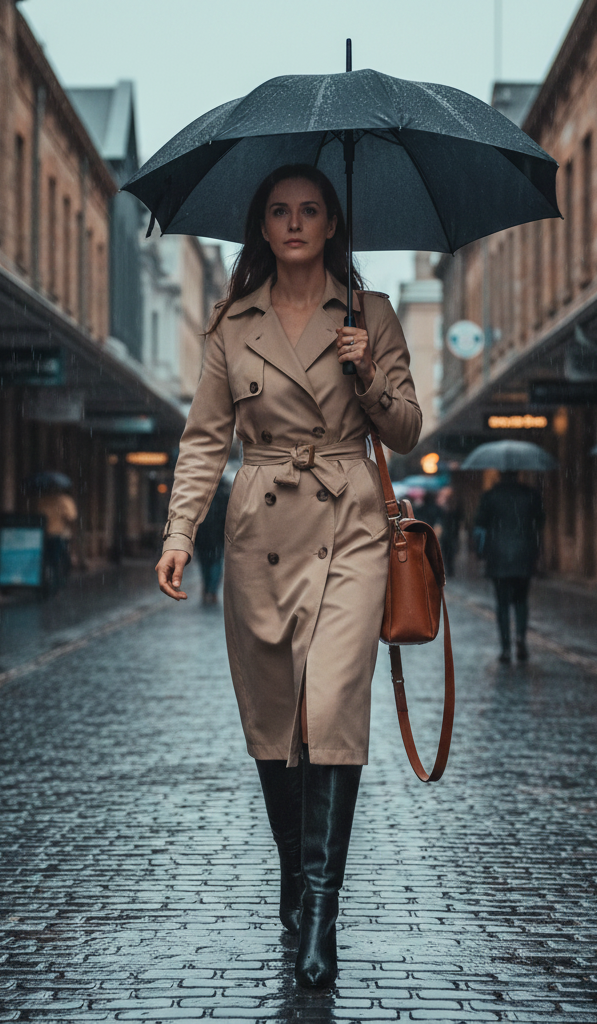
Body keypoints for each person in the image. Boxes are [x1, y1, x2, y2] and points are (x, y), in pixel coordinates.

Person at [154, 164, 421, 988]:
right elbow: (205, 439)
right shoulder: (231, 323)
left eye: (310, 209)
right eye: (280, 211)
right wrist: (178, 529)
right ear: (261, 227)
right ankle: (292, 871)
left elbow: (409, 430)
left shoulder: (370, 315)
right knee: (276, 724)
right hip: (260, 523)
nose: (295, 222)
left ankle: (321, 911)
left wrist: (365, 372)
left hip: (350, 526)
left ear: (333, 221)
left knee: (332, 705)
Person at [474, 470, 545, 664]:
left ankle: (505, 648)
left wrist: (481, 552)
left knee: (502, 604)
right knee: (521, 600)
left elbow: (479, 524)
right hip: (524, 554)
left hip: (498, 556)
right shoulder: (530, 495)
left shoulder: (490, 496)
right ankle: (521, 637)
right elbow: (540, 521)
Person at [193, 476, 231, 605]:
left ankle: (207, 587)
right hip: (216, 538)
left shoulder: (200, 496)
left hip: (203, 538)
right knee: (215, 564)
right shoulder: (224, 496)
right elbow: (227, 519)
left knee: (205, 564)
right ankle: (212, 590)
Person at [36, 483, 78, 593]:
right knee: (60, 560)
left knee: (48, 560)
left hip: (45, 535)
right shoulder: (65, 500)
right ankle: (57, 583)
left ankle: (49, 582)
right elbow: (71, 518)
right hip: (59, 535)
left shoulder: (43, 500)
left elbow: (38, 515)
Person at [437, 485, 462, 579]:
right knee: (447, 551)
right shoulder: (444, 506)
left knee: (450, 551)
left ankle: (449, 569)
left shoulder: (454, 505)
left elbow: (457, 517)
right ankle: (448, 568)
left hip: (451, 532)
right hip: (448, 532)